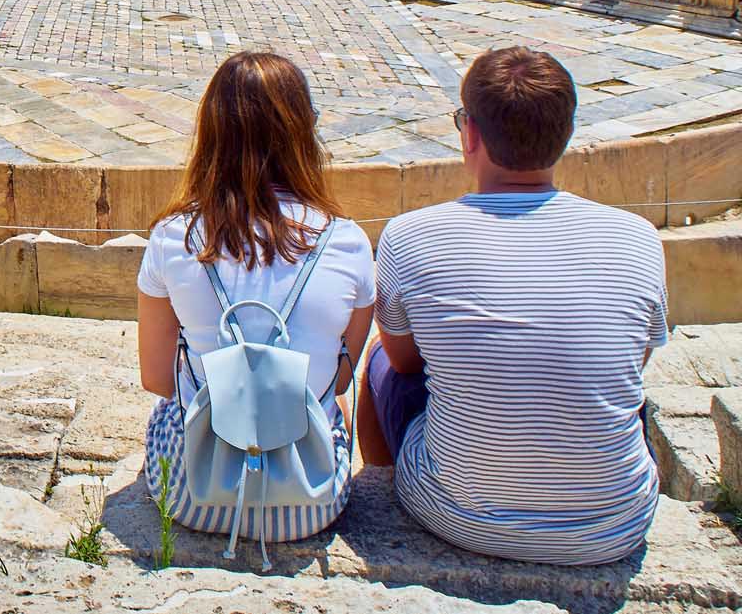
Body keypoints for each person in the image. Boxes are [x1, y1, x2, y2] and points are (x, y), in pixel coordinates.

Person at [357, 47, 668, 566]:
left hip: (454, 515)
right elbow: (634, 364)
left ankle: (385, 494)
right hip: (614, 524)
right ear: (565, 135)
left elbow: (408, 364)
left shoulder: (411, 236)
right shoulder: (637, 239)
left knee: (380, 362)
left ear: (470, 134)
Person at [137, 52, 375, 543]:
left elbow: (157, 379)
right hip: (309, 503)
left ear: (211, 132)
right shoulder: (348, 243)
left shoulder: (173, 238)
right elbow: (341, 376)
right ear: (304, 134)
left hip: (193, 493)